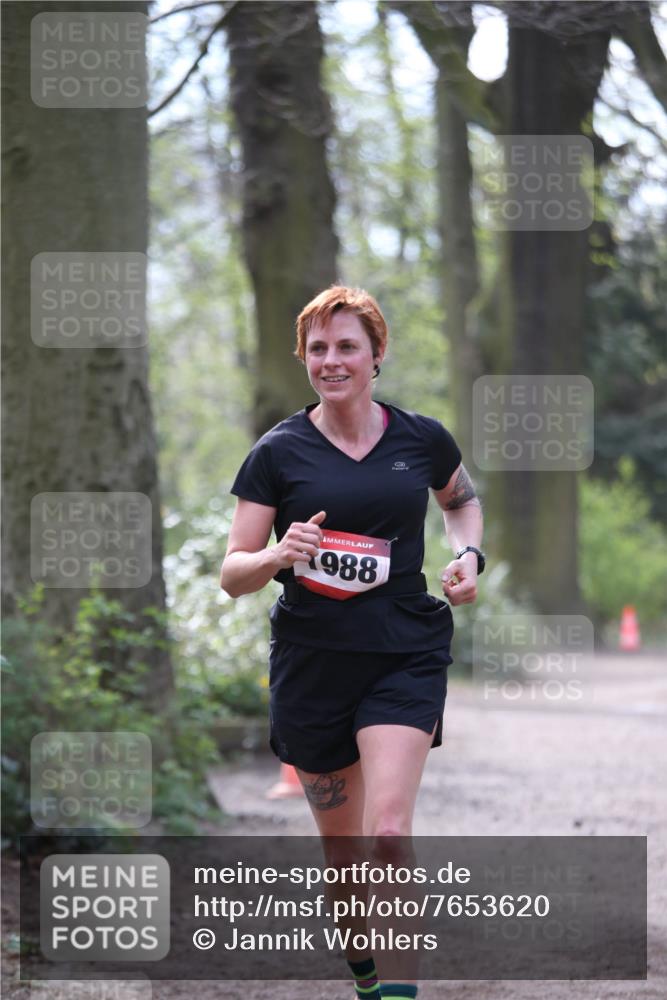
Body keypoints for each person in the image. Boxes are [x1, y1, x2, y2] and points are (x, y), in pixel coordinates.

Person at [220, 285, 484, 1000]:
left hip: (404, 649)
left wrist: (469, 556)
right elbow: (232, 573)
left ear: (376, 355)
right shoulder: (277, 453)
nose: (331, 361)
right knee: (344, 858)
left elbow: (460, 500)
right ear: (304, 358)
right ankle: (367, 977)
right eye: (318, 349)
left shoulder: (421, 439)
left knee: (389, 833)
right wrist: (277, 556)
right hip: (313, 661)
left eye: (346, 347)